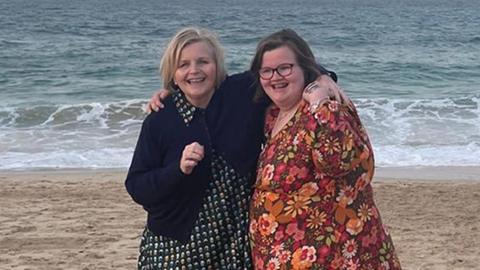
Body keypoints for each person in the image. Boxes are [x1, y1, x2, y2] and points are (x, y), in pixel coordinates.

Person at [126, 27, 342, 270]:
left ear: (217, 66)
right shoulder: (160, 119)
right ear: (172, 74)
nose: (194, 70)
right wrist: (177, 169)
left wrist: (322, 78)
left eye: (203, 61)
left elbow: (284, 72)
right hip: (174, 247)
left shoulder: (243, 93)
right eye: (183, 64)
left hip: (235, 247)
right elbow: (137, 187)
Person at [248, 29, 401, 269]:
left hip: (334, 257)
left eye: (285, 68)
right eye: (266, 71)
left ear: (306, 69)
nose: (275, 76)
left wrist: (320, 102)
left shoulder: (326, 109)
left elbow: (342, 163)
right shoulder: (272, 115)